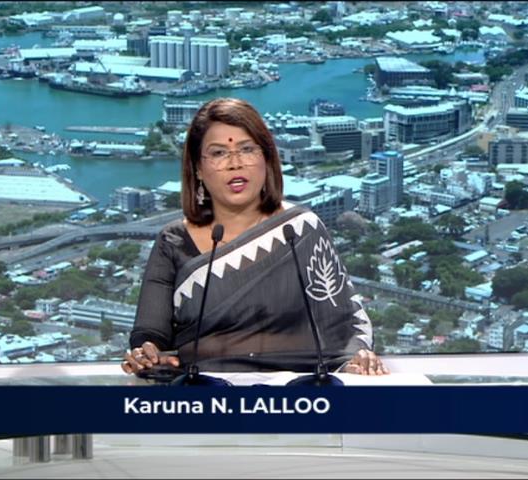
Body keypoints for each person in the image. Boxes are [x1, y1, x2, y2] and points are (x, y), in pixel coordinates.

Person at [122, 98, 387, 376]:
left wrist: (357, 358)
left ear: (266, 158)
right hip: (206, 394)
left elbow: (346, 322)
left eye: (247, 149)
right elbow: (150, 334)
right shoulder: (173, 241)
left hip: (301, 393)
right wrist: (145, 355)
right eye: (219, 153)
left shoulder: (300, 229)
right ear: (198, 168)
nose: (235, 163)